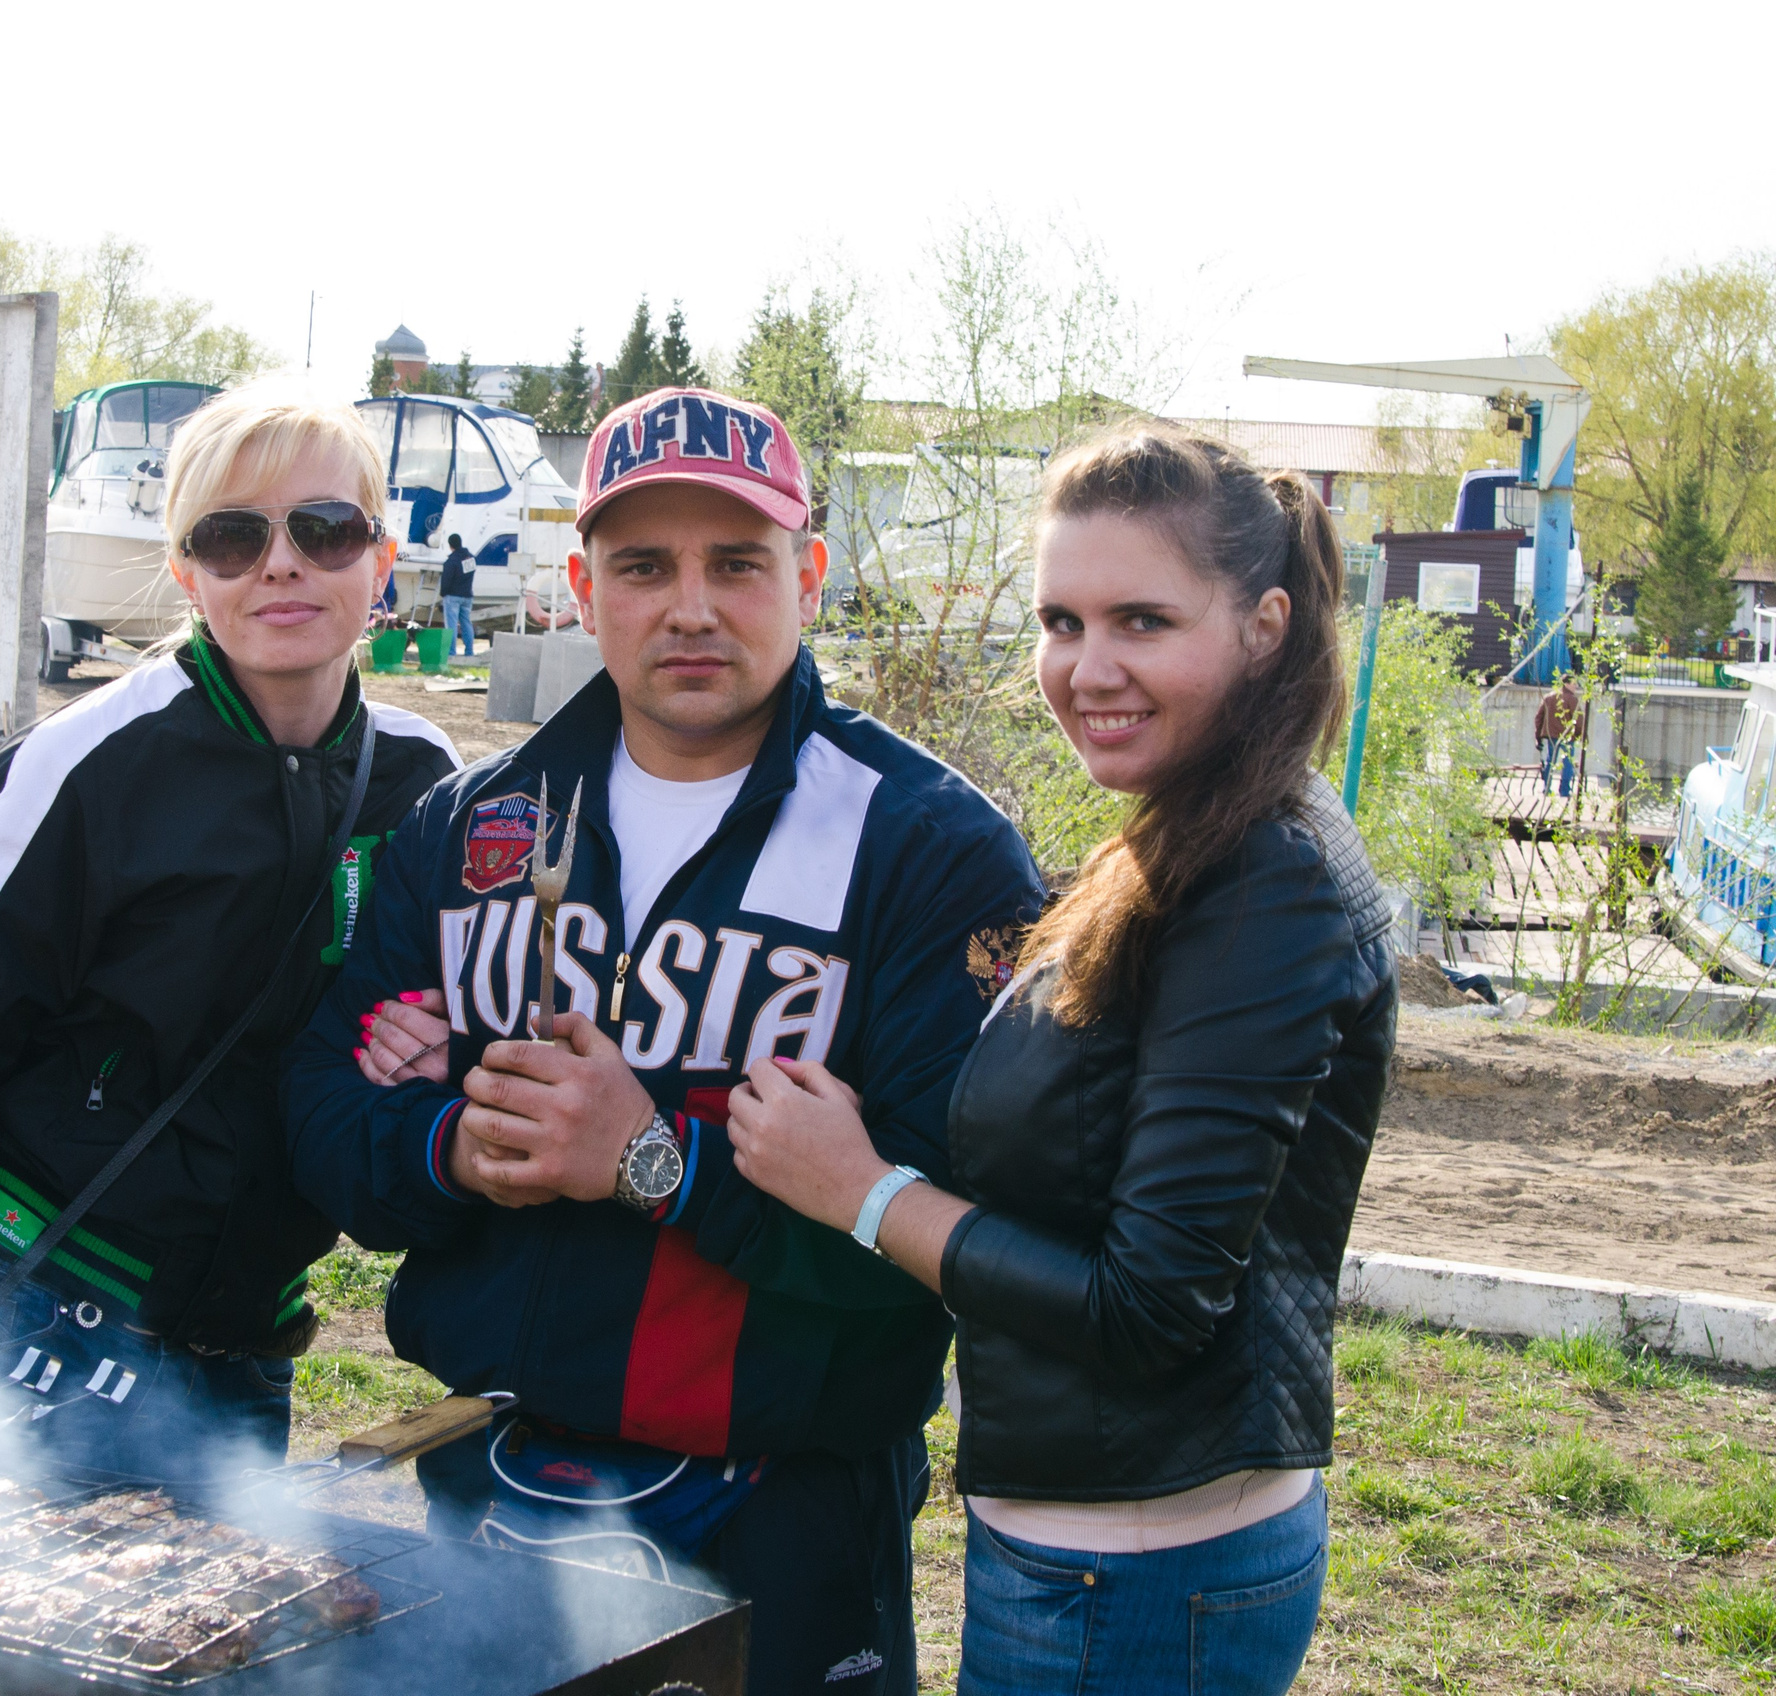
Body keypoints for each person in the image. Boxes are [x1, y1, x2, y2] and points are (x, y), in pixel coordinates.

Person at [284, 387, 1043, 1696]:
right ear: (584, 588)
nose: (690, 606)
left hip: (787, 1520)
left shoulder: (935, 848)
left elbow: (961, 1233)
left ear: (807, 573)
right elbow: (321, 1114)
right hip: (497, 1486)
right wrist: (460, 1146)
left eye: (735, 562)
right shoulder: (472, 831)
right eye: (645, 566)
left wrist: (651, 1162)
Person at [724, 423, 1396, 1696]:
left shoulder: (1263, 885)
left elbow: (1146, 1307)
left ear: (1262, 625)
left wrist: (858, 1191)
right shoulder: (1186, 839)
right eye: (1060, 620)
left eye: (1141, 620)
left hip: (1135, 1571)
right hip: (1103, 1542)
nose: (1087, 667)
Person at [0, 387, 458, 1479]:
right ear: (184, 570)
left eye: (325, 528)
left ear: (381, 558)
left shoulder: (426, 784)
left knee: (207, 1646)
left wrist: (434, 1056)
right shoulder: (81, 766)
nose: (280, 564)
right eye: (230, 535)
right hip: (38, 1321)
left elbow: (450, 1033)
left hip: (249, 1352)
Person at [1537, 673, 1582, 796]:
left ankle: (1546, 788)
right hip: (1567, 737)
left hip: (1552, 735)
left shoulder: (1548, 698)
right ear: (1566, 684)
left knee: (1550, 760)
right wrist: (1578, 735)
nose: (1576, 686)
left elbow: (1539, 717)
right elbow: (1579, 720)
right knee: (1567, 763)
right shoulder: (1572, 700)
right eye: (1574, 684)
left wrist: (1538, 736)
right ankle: (1564, 790)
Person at [440, 531, 478, 658]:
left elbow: (446, 580)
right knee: (466, 623)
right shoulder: (470, 558)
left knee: (451, 625)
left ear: (450, 545)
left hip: (453, 596)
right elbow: (469, 575)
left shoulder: (451, 561)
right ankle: (469, 651)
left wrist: (443, 593)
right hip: (467, 595)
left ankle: (451, 652)